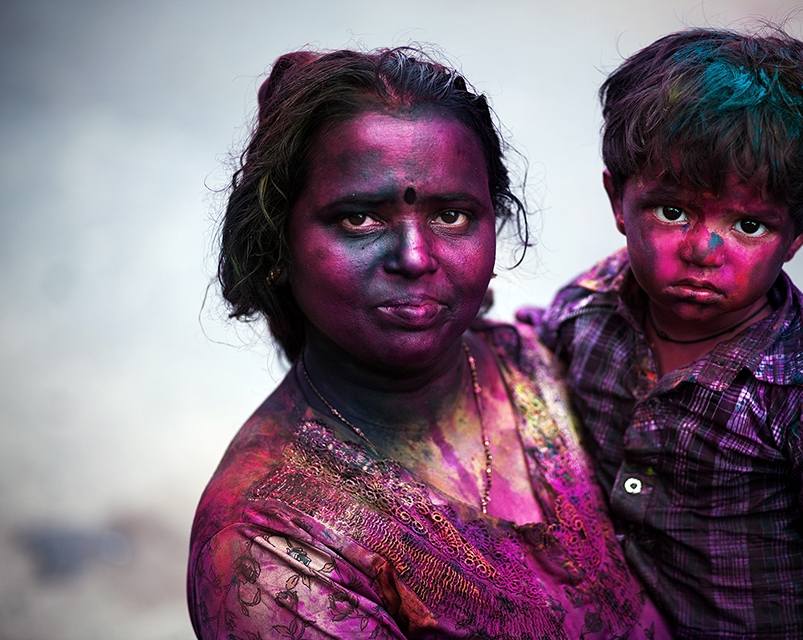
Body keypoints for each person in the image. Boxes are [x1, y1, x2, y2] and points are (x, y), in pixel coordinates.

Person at [187, 47, 668, 639]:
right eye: (360, 219)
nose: (415, 258)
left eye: (453, 216)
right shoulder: (270, 545)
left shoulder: (550, 361)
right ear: (275, 245)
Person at [536, 28, 803, 639]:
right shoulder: (591, 306)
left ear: (801, 233)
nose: (704, 250)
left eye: (750, 225)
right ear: (617, 199)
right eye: (672, 211)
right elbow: (527, 350)